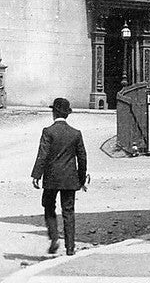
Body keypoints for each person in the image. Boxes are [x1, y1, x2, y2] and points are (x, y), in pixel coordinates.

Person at [31, 97, 88, 256]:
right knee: (68, 211)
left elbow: (42, 155)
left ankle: (54, 236)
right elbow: (82, 157)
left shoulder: (48, 131)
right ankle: (70, 248)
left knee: (48, 205)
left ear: (54, 113)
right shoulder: (76, 134)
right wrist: (81, 179)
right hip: (70, 178)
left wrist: (36, 175)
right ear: (67, 114)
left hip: (51, 178)